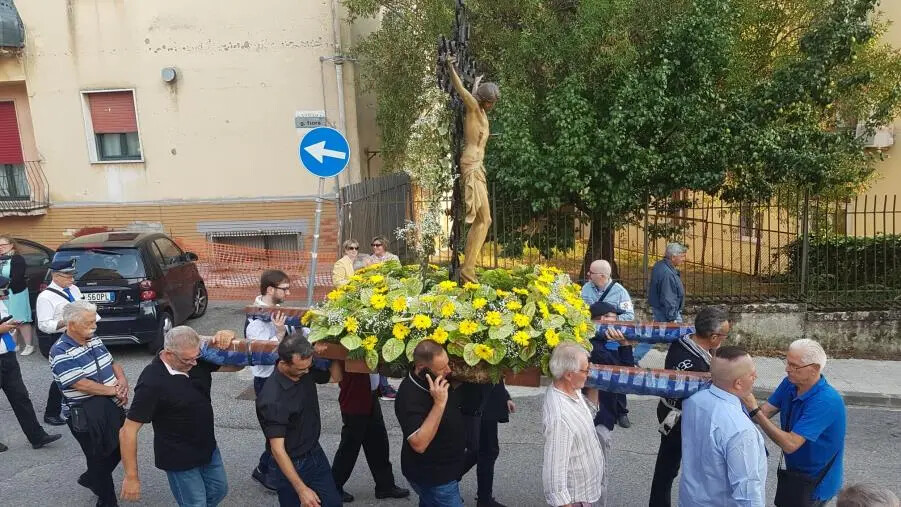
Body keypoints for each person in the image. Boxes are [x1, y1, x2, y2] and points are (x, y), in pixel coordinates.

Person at [119, 327, 241, 506]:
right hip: (179, 457)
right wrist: (131, 477)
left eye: (196, 357)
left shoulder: (195, 359)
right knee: (195, 503)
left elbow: (237, 365)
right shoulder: (152, 381)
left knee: (219, 490)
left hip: (208, 447)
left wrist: (230, 339)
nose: (193, 363)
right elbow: (128, 431)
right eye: (187, 359)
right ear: (168, 354)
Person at [741, 339, 847, 506]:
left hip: (816, 484)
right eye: (787, 362)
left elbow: (790, 444)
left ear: (814, 369)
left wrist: (754, 409)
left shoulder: (826, 401)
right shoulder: (790, 383)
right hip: (795, 475)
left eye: (794, 365)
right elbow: (763, 414)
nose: (787, 369)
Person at [50, 300, 129, 507]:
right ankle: (107, 501)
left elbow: (112, 363)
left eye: (94, 322)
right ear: (71, 324)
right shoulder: (60, 351)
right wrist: (113, 390)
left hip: (110, 406)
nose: (94, 327)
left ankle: (92, 478)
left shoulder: (93, 339)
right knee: (99, 458)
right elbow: (80, 384)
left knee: (122, 448)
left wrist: (121, 382)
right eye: (88, 323)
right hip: (85, 413)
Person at [649, 306, 730, 507]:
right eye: (723, 336)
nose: (724, 340)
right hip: (682, 420)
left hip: (668, 410)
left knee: (666, 468)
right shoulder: (698, 366)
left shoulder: (681, 342)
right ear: (712, 337)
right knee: (682, 469)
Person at [255, 332, 343, 507]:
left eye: (308, 366)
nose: (307, 371)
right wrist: (301, 489)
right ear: (283, 363)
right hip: (292, 463)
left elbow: (336, 377)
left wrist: (333, 350)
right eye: (301, 369)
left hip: (315, 453)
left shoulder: (304, 368)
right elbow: (278, 450)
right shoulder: (273, 399)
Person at [680, 346, 767, 507]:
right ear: (738, 383)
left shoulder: (693, 401)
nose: (756, 376)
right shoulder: (740, 430)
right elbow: (747, 493)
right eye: (752, 373)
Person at [444, 54, 499, 283]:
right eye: (491, 102)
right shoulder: (474, 108)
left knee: (484, 220)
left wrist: (476, 81)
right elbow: (462, 91)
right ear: (485, 101)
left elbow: (472, 91)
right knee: (482, 219)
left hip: (478, 166)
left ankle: (469, 267)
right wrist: (451, 66)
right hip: (471, 165)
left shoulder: (481, 111)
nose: (492, 106)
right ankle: (468, 268)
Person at [395, 339, 466, 507]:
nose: (448, 371)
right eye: (442, 368)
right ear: (422, 368)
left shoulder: (434, 382)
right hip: (434, 477)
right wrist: (439, 403)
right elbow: (419, 444)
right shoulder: (409, 395)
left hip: (446, 469)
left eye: (448, 364)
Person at [0, 275, 62, 453]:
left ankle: (37, 436)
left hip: (8, 356)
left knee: (21, 398)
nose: (5, 294)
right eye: (3, 291)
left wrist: (11, 325)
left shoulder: (1, 302)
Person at [330, 363, 409, 503]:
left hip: (370, 396)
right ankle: (333, 488)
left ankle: (385, 485)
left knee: (379, 441)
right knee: (349, 446)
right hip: (354, 398)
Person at [246, 269, 294, 491]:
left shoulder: (276, 311)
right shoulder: (255, 318)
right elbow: (264, 356)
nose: (288, 292)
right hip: (266, 382)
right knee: (277, 431)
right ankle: (273, 478)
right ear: (270, 290)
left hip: (280, 378)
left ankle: (264, 469)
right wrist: (280, 333)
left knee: (281, 429)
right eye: (285, 288)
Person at [542, 342, 605, 507]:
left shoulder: (572, 389)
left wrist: (596, 385)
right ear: (569, 375)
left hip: (587, 492)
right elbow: (554, 470)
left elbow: (588, 413)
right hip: (576, 499)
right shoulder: (560, 417)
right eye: (585, 370)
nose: (588, 374)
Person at [585, 300, 634, 491]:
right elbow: (626, 377)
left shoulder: (598, 345)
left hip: (599, 415)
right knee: (597, 475)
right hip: (598, 419)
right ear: (602, 320)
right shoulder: (597, 350)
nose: (619, 324)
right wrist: (624, 344)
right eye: (614, 319)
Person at [35, 259, 84, 426]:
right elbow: (43, 324)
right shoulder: (45, 297)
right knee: (63, 375)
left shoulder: (74, 289)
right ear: (55, 276)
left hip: (78, 334)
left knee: (84, 370)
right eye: (67, 276)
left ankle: (78, 405)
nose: (72, 280)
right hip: (57, 338)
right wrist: (65, 322)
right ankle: (51, 412)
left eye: (73, 276)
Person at [459, 380, 514, 507]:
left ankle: (446, 480)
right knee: (485, 450)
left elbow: (494, 372)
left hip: (486, 401)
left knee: (482, 450)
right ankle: (446, 481)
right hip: (480, 401)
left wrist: (505, 396)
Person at [0, 235, 36, 356]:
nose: (1, 248)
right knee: (9, 318)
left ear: (11, 245)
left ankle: (29, 345)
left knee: (21, 319)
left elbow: (17, 277)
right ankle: (14, 344)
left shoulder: (17, 258)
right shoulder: (0, 259)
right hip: (2, 293)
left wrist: (4, 287)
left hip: (16, 292)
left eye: (3, 245)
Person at [647, 243, 687, 323]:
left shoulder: (659, 265)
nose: (684, 259)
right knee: (676, 334)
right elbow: (668, 297)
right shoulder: (667, 273)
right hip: (668, 314)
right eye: (682, 256)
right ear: (673, 257)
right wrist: (672, 318)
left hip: (660, 311)